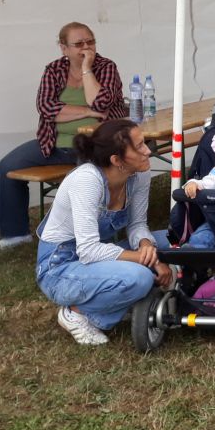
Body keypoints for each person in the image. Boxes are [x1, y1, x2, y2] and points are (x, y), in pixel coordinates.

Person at [0, 22, 127, 251]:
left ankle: (89, 237)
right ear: (64, 48)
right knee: (7, 166)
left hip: (94, 145)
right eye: (79, 44)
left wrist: (86, 69)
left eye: (90, 41)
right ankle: (15, 234)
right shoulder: (54, 69)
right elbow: (46, 107)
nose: (86, 47)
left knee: (87, 181)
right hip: (52, 143)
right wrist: (86, 112)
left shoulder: (106, 67)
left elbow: (100, 103)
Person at [35, 119, 171, 345]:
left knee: (173, 239)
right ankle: (77, 313)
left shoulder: (139, 173)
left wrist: (147, 246)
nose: (148, 151)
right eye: (139, 146)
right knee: (139, 277)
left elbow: (137, 225)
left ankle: (130, 298)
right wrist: (148, 260)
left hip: (97, 256)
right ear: (116, 160)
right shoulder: (87, 180)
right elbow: (88, 250)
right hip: (60, 267)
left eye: (145, 143)